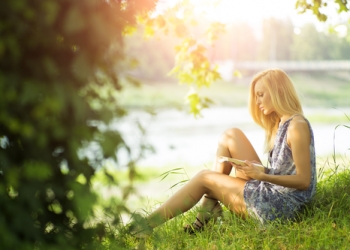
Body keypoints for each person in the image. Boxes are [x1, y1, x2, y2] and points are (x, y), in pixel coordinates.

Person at [130, 68, 317, 237]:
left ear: (278, 91)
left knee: (205, 178)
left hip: (282, 207)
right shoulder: (281, 122)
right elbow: (285, 172)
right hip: (275, 194)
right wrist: (260, 171)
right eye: (256, 96)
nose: (257, 101)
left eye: (261, 95)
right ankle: (209, 207)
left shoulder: (296, 125)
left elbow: (303, 181)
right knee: (230, 135)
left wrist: (262, 175)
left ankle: (145, 226)